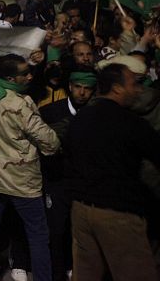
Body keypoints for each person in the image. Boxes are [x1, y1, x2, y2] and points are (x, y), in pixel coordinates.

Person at [66, 59, 160, 281]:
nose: (138, 89)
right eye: (132, 84)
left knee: (87, 274)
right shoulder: (130, 123)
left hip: (81, 211)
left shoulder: (82, 118)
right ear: (117, 88)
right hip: (118, 215)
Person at [0, 54, 60, 281]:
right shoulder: (20, 104)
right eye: (25, 73)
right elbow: (48, 139)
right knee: (38, 234)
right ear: (12, 77)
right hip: (22, 180)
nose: (30, 75)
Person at [38, 67, 97, 281]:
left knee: (80, 231)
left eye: (87, 89)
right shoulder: (50, 112)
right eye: (78, 87)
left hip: (84, 181)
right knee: (57, 229)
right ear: (70, 87)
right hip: (57, 179)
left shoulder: (96, 113)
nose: (82, 93)